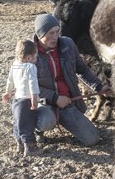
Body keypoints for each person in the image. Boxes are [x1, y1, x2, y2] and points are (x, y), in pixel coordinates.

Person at [33, 13, 109, 146]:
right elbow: (27, 88)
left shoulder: (68, 44)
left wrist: (99, 87)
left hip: (67, 102)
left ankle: (65, 118)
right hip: (43, 103)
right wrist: (55, 98)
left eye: (57, 32)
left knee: (92, 139)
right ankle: (37, 130)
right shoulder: (29, 53)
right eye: (50, 33)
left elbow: (83, 70)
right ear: (40, 34)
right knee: (46, 121)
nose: (55, 37)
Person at [2, 39, 41, 156]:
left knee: (18, 123)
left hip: (16, 100)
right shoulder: (30, 67)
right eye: (35, 58)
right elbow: (32, 84)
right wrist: (34, 99)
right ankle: (30, 149)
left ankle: (19, 145)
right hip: (26, 100)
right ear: (29, 58)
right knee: (27, 125)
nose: (36, 60)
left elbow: (10, 80)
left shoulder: (14, 65)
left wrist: (7, 92)